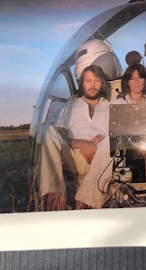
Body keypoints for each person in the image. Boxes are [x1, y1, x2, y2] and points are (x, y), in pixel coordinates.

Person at [38, 65, 112, 210]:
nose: (92, 85)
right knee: (47, 130)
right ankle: (55, 200)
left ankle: (86, 202)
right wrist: (78, 143)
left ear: (102, 83)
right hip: (71, 156)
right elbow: (58, 131)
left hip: (99, 158)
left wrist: (104, 140)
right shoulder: (70, 105)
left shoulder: (110, 106)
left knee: (111, 141)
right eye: (88, 81)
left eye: (96, 81)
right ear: (82, 83)